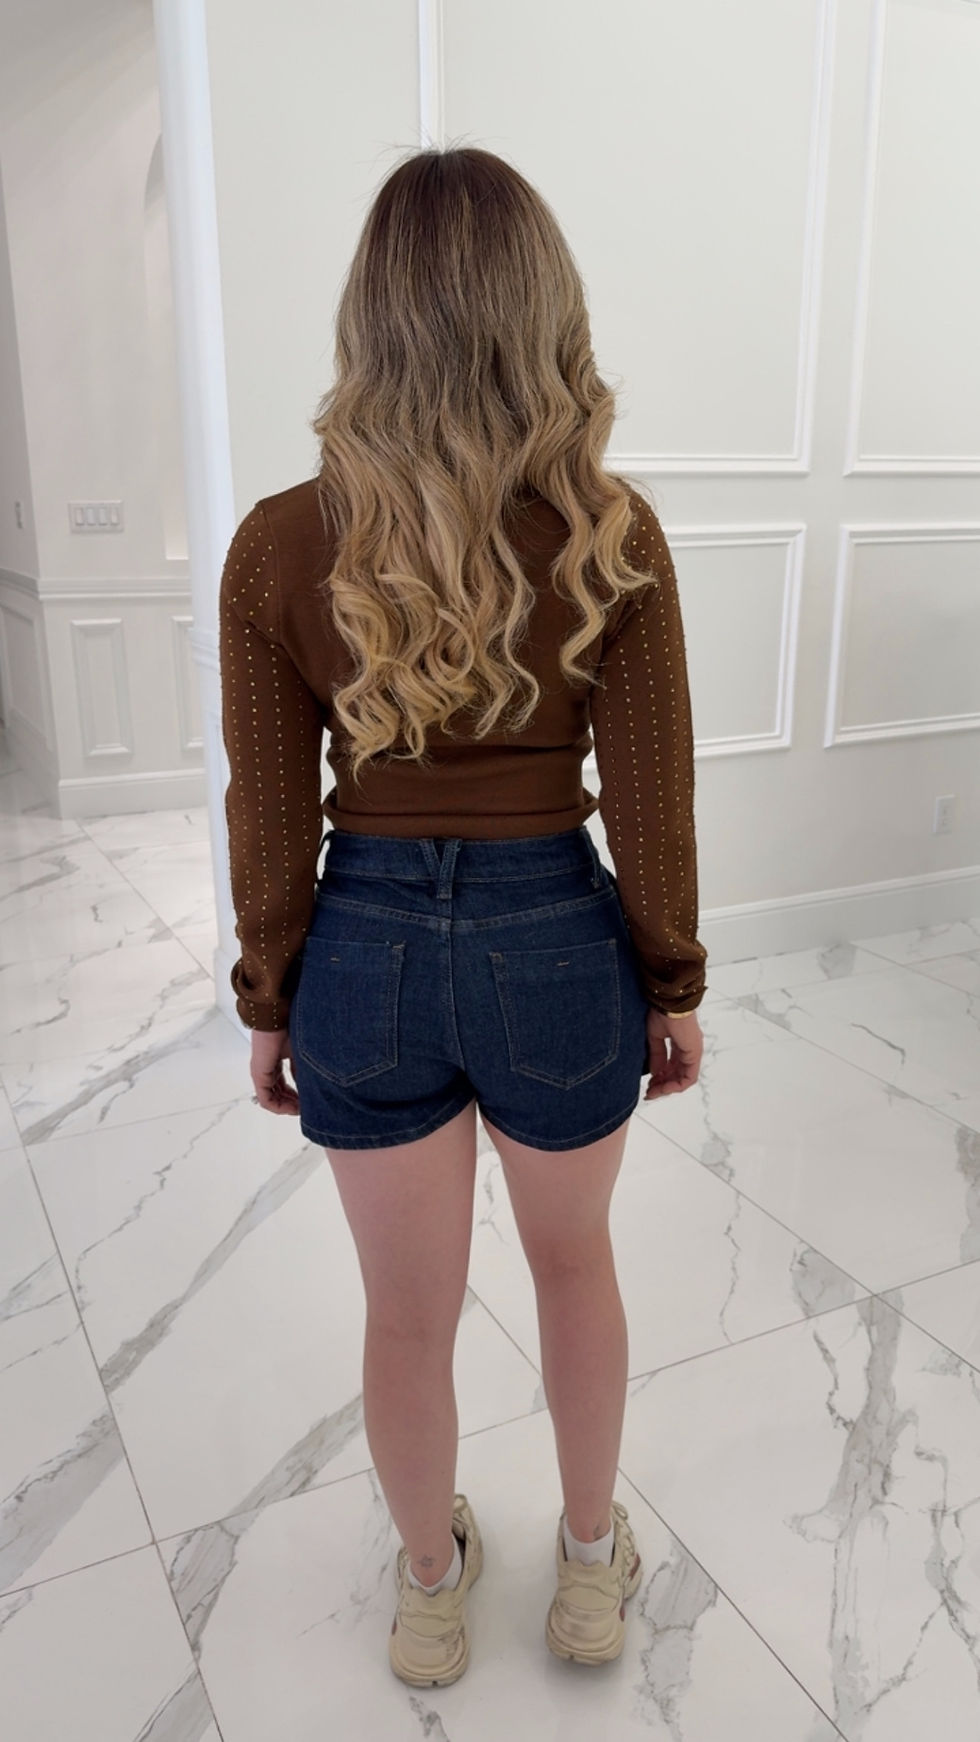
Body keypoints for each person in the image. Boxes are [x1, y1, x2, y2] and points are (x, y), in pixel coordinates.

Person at [218, 144, 707, 1689]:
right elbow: (653, 798)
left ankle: (430, 1591)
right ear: (541, 311)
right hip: (554, 939)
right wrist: (672, 977)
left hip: (362, 956)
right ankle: (588, 1572)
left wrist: (272, 994)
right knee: (576, 1265)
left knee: (403, 1316)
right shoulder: (613, 533)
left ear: (372, 316)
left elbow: (267, 812)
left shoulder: (277, 544)